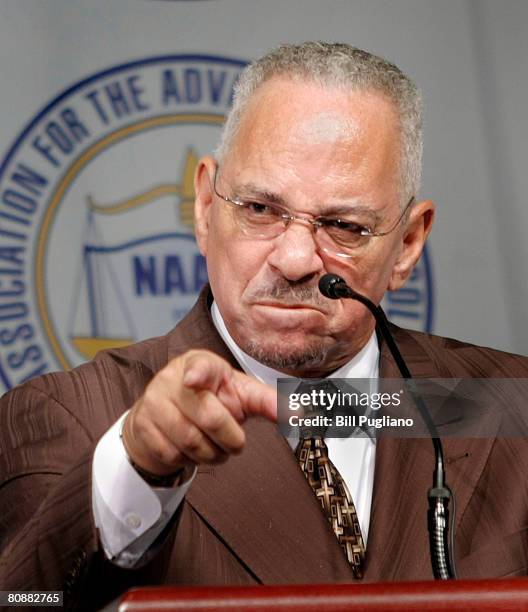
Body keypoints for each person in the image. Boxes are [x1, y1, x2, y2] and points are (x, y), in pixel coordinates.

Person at [1, 41, 527, 610]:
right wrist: (137, 469)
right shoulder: (65, 415)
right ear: (205, 206)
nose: (295, 259)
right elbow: (25, 600)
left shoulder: (506, 408)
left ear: (407, 243)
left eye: (343, 225)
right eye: (260, 210)